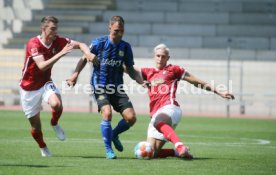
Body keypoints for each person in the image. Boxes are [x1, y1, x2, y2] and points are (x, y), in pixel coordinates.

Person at [134, 43, 235, 159]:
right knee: (152, 152)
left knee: (158, 121)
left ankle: (180, 146)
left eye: (163, 56)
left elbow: (196, 81)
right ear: (154, 56)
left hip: (170, 108)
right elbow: (128, 68)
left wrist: (218, 91)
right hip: (155, 114)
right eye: (158, 56)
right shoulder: (147, 72)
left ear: (168, 58)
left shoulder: (173, 69)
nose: (160, 58)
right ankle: (175, 152)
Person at [19, 16, 98, 157]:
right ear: (43, 29)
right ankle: (43, 147)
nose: (55, 32)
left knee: (56, 104)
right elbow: (42, 66)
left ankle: (54, 123)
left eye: (56, 29)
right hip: (28, 88)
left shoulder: (58, 41)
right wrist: (61, 53)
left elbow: (81, 44)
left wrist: (88, 53)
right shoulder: (33, 44)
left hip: (45, 83)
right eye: (52, 29)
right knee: (35, 126)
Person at [66, 16, 143, 159]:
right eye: (116, 30)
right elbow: (84, 59)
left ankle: (113, 135)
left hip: (117, 87)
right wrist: (75, 75)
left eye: (121, 31)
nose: (119, 33)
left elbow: (130, 69)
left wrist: (142, 82)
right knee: (107, 113)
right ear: (109, 29)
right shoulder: (99, 43)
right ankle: (109, 150)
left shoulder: (125, 47)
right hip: (99, 85)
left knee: (131, 118)